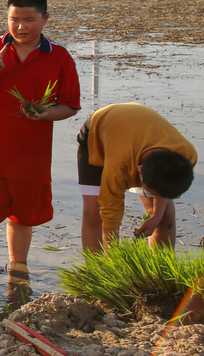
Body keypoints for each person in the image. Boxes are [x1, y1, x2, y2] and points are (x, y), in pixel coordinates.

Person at [0, 0, 80, 276]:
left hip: (31, 156)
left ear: (45, 19)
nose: (21, 26)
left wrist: (44, 114)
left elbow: (70, 105)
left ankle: (18, 277)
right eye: (14, 19)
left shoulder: (59, 57)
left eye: (29, 19)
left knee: (23, 219)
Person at [77, 103, 195, 251]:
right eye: (149, 192)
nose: (153, 196)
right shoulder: (119, 167)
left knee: (166, 214)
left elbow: (166, 186)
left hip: (137, 130)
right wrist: (114, 265)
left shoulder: (185, 156)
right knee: (94, 213)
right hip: (99, 131)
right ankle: (96, 270)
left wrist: (156, 217)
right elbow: (111, 216)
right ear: (139, 171)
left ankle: (160, 270)